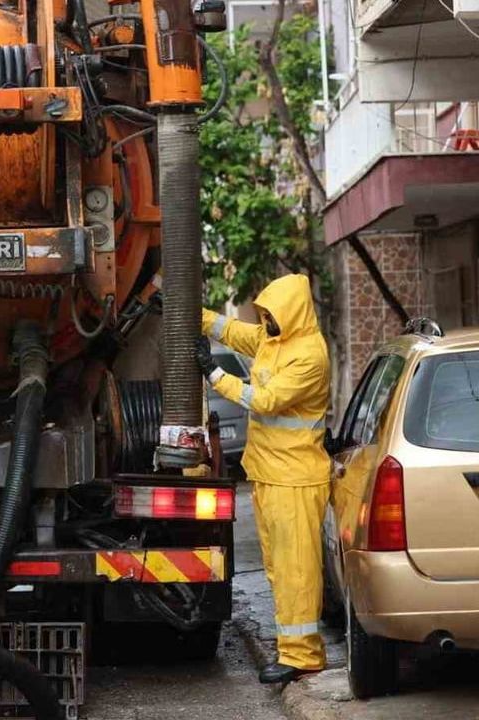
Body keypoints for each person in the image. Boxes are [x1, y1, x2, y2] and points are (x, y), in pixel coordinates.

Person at [197, 274, 331, 684]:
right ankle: (290, 647)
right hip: (271, 474)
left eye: (272, 316)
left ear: (292, 313)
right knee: (279, 569)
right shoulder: (275, 341)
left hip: (296, 478)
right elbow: (233, 331)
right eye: (264, 315)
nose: (266, 322)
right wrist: (190, 314)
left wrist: (214, 374)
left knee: (297, 572)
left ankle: (303, 656)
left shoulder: (309, 355)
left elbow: (267, 400)